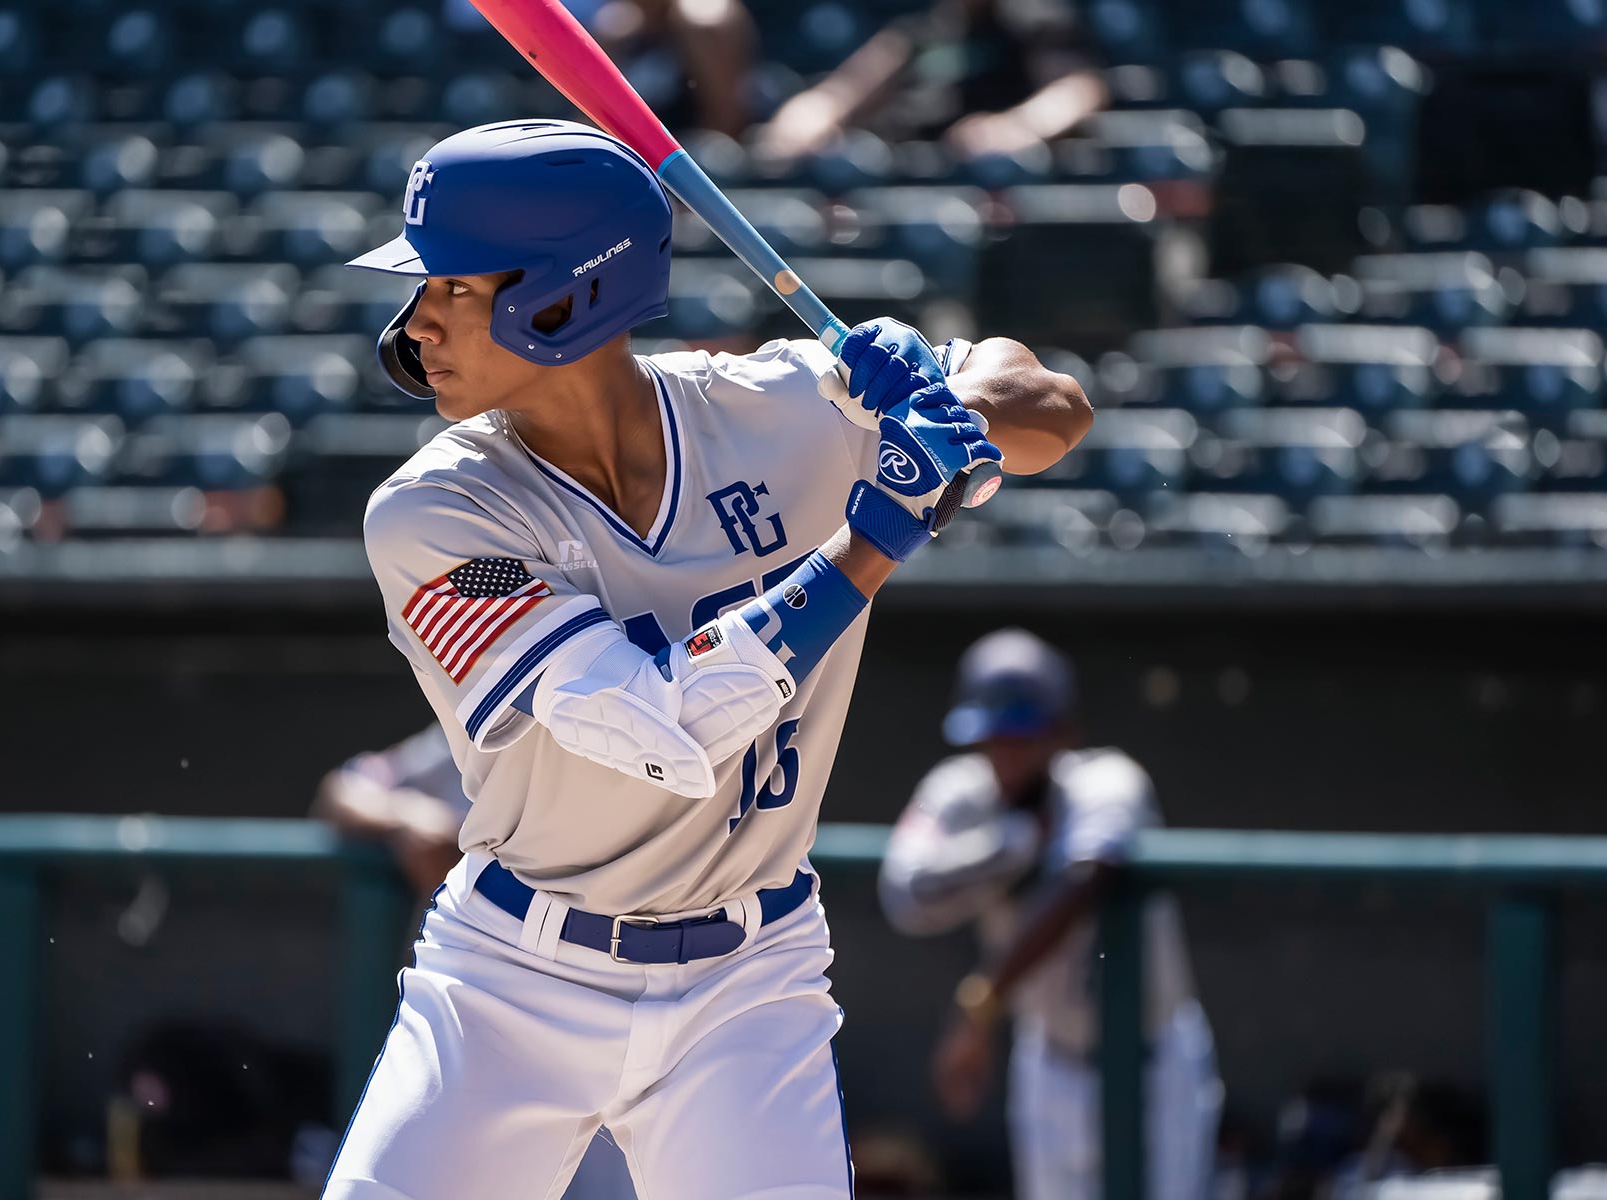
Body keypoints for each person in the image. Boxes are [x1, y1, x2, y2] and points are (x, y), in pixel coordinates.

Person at [323, 117, 1091, 1200]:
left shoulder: (780, 406)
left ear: (567, 293)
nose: (418, 324)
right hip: (513, 979)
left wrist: (948, 402)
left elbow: (1057, 410)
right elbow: (663, 727)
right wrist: (879, 531)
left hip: (750, 979)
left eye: (453, 286)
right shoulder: (434, 512)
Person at [878, 630, 1220, 1200]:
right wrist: (1011, 843)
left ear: (1061, 732)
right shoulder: (962, 792)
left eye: (1022, 737)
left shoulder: (1107, 780)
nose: (1006, 756)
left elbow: (1083, 877)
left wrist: (982, 1004)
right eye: (994, 738)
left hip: (1154, 1064)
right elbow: (904, 895)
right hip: (1049, 1062)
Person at [312, 724, 639, 1200]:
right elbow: (344, 788)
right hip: (493, 1011)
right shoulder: (509, 709)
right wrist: (406, 817)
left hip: (641, 994)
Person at [752, 0, 1107, 166]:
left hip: (982, 186)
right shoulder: (921, 30)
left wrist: (1018, 126)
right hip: (901, 169)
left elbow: (1078, 88)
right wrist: (809, 116)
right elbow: (844, 93)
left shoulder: (1034, 20)